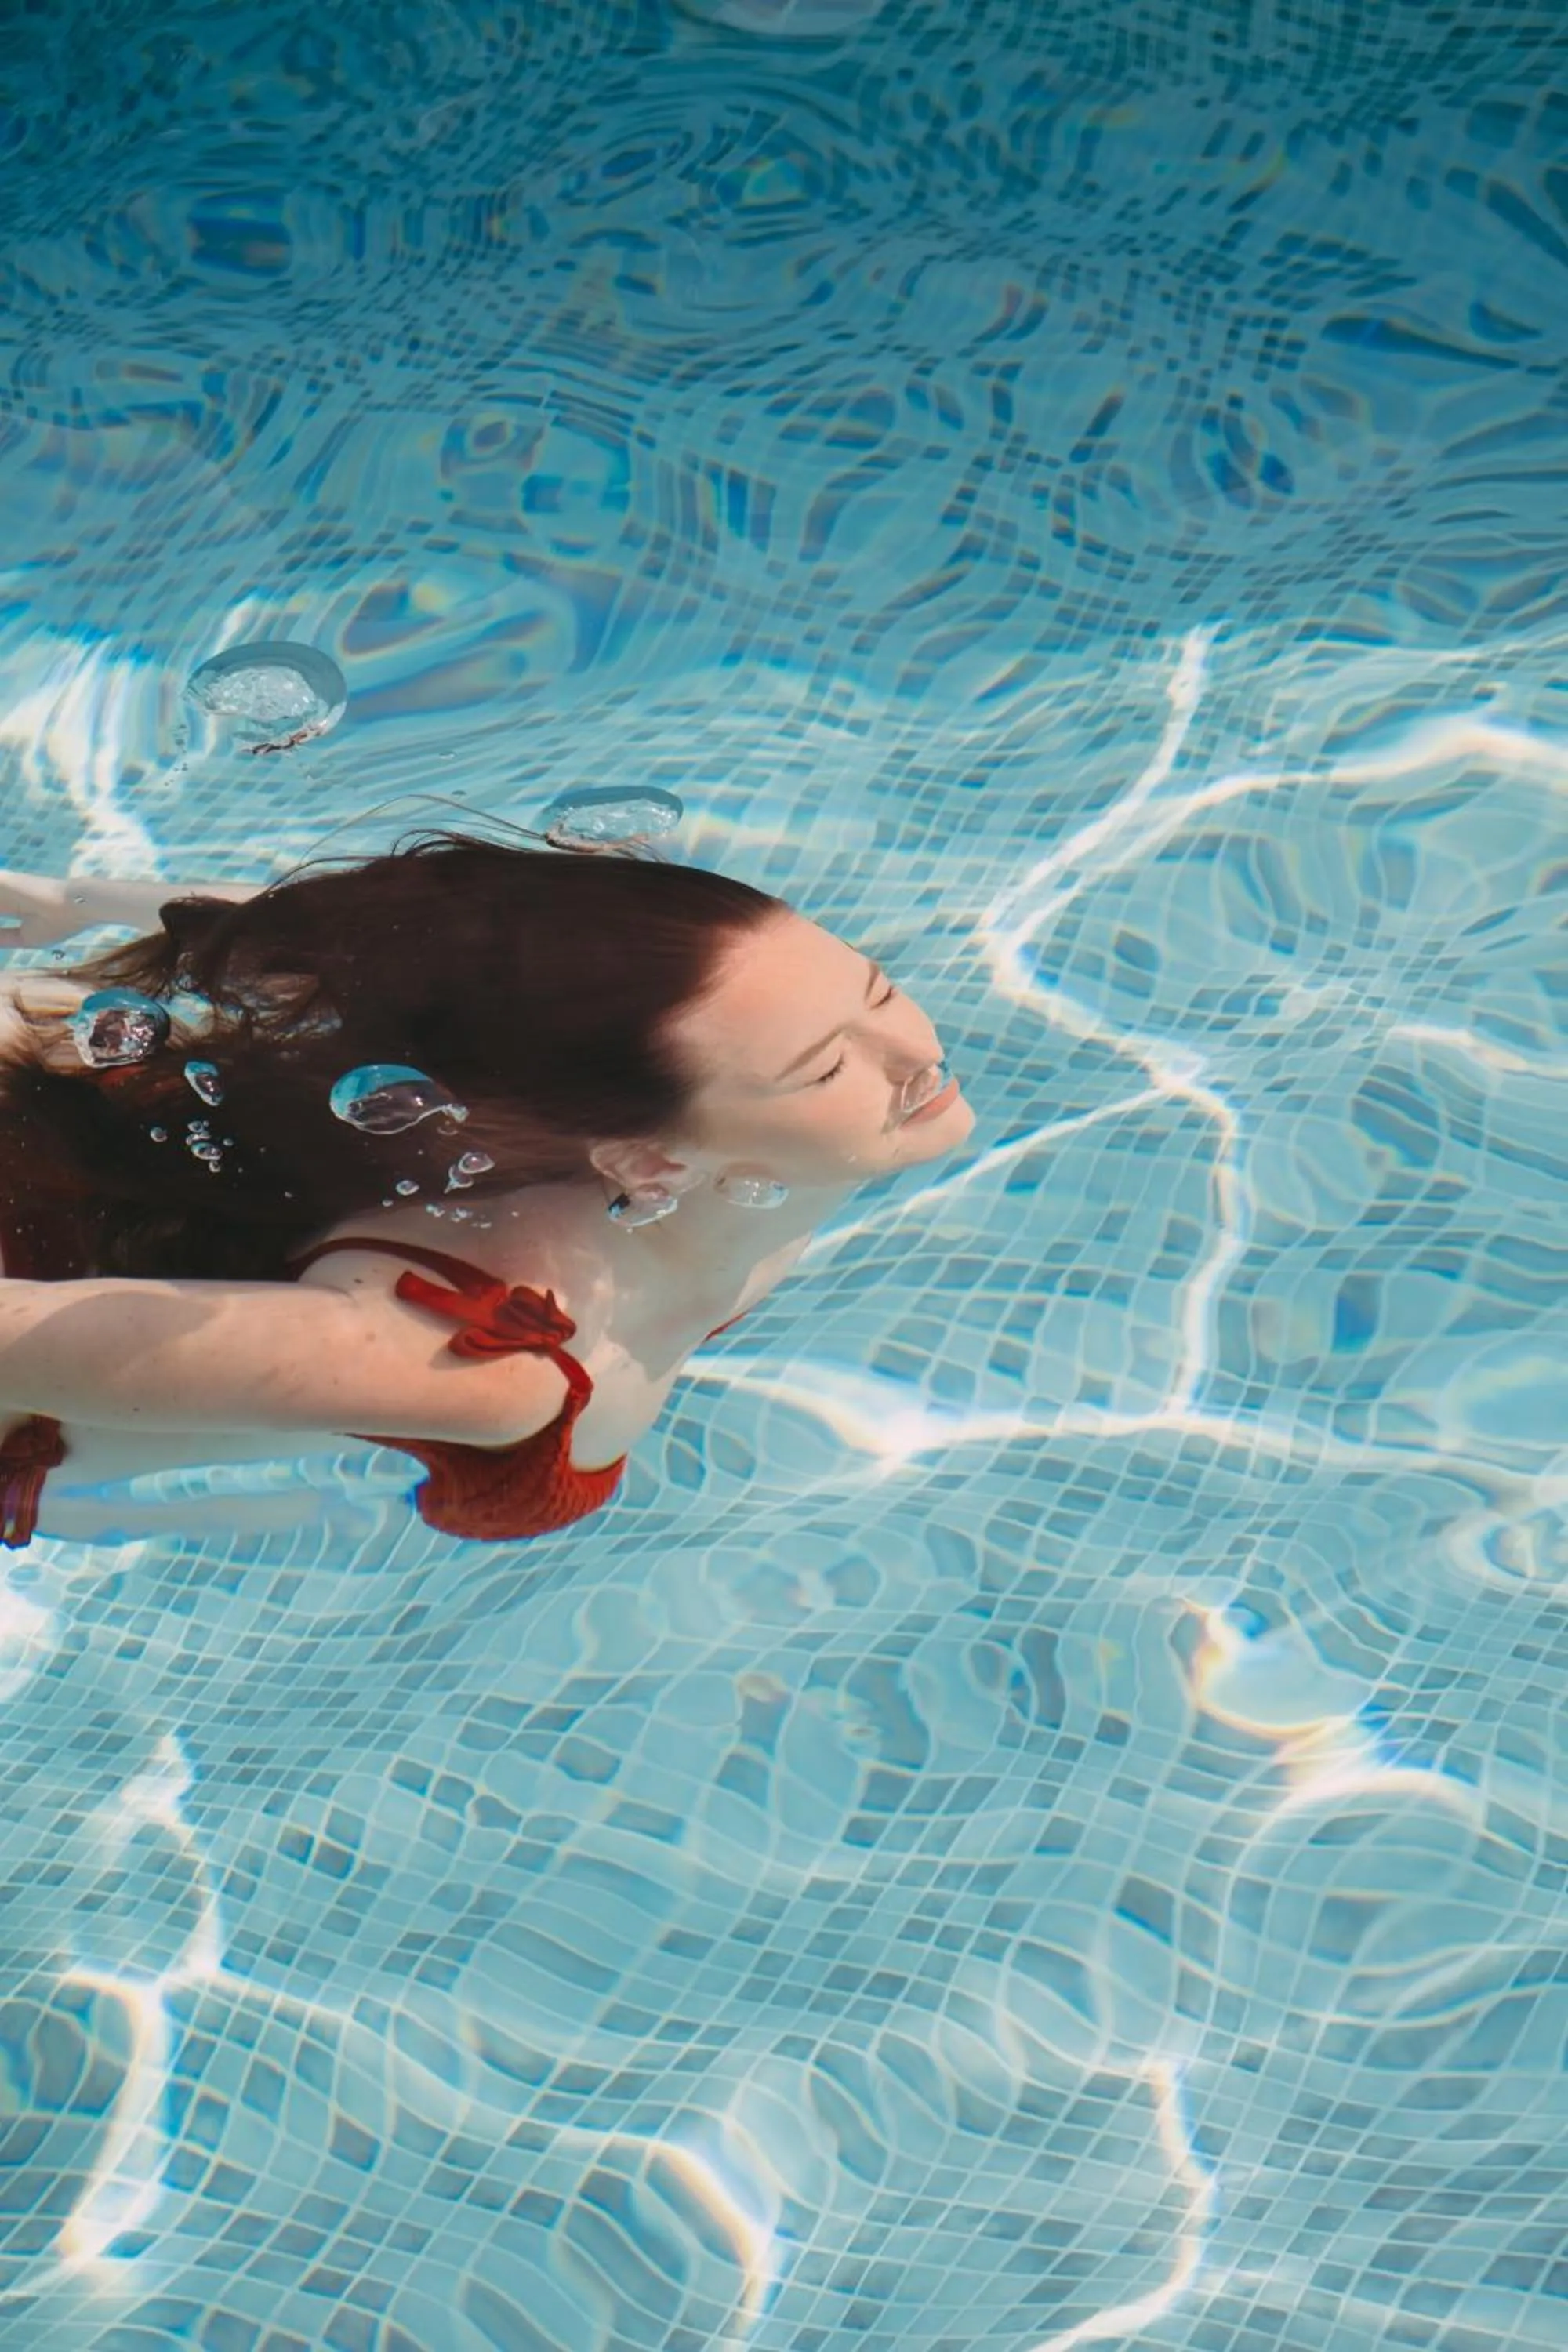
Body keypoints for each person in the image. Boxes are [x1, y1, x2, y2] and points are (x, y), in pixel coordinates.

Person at [0, 836, 973, 1548]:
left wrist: (84, 900)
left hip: (78, 1092)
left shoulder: (749, 1121)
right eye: (821, 1070)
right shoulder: (484, 1347)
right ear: (647, 1164)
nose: (917, 1055)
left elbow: (435, 956)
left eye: (877, 988)